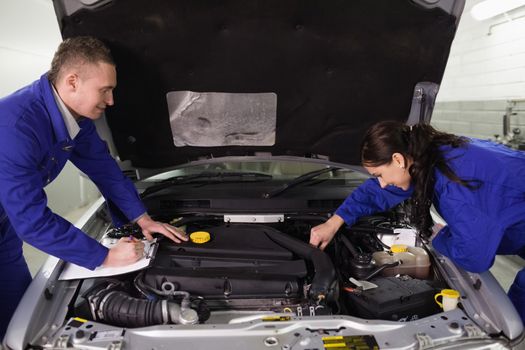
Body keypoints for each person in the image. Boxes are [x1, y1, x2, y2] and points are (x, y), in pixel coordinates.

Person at [0, 36, 188, 338]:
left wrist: (142, 218)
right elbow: (32, 221)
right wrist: (105, 256)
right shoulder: (14, 127)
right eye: (105, 90)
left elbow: (106, 170)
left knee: (15, 320)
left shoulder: (76, 120)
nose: (111, 101)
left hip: (4, 231)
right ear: (72, 81)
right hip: (16, 221)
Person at [310, 120, 525, 323]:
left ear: (397, 160)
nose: (382, 183)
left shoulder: (456, 190)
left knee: (517, 312)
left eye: (380, 174)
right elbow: (377, 191)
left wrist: (439, 237)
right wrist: (334, 222)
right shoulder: (428, 156)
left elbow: (474, 258)